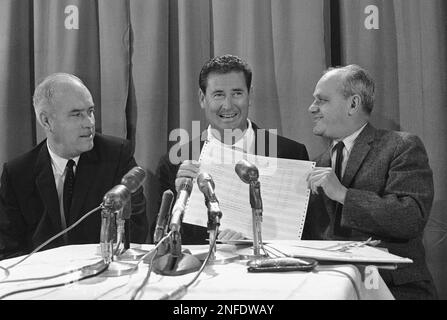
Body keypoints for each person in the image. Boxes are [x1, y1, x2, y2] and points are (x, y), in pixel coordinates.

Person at [304, 64, 437, 299]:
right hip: (329, 286)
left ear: (353, 104)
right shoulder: (315, 164)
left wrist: (344, 194)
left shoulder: (400, 146)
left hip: (395, 287)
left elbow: (410, 218)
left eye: (321, 100)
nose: (311, 108)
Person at [155, 54, 309, 244]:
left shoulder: (291, 154)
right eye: (218, 94)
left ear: (250, 96)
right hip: (202, 271)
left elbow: (305, 235)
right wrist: (182, 198)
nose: (228, 105)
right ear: (202, 98)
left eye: (237, 93)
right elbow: (160, 244)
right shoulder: (175, 162)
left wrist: (250, 240)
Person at [0, 73, 148, 260]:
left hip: (103, 276)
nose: (89, 123)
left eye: (91, 111)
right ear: (46, 121)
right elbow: (8, 249)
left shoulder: (117, 156)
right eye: (77, 114)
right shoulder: (18, 174)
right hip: (43, 281)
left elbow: (135, 231)